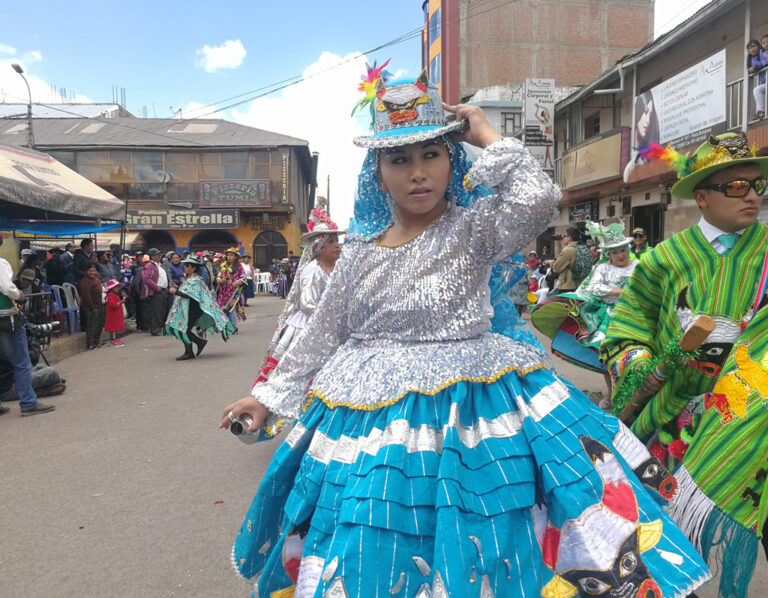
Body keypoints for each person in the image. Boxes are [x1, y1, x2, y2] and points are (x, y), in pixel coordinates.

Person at [220, 66, 709, 597]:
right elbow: (322, 335)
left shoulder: (476, 229)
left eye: (431, 154)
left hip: (476, 415)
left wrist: (484, 132)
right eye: (399, 159)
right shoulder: (358, 253)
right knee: (371, 535)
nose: (417, 173)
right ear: (377, 171)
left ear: (452, 160)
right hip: (367, 424)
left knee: (488, 534)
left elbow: (537, 198)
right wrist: (267, 398)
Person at [601, 132, 768, 596]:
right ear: (702, 197)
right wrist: (643, 365)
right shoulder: (661, 260)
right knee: (669, 540)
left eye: (758, 186)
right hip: (678, 420)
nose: (753, 195)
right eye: (737, 186)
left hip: (756, 421)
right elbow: (626, 333)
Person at [532, 222, 638, 403]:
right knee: (606, 355)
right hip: (608, 317)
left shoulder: (638, 265)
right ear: (608, 254)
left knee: (633, 355)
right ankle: (612, 393)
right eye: (614, 252)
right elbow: (594, 287)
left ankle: (633, 394)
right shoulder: (602, 268)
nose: (620, 255)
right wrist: (619, 292)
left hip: (635, 315)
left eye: (622, 250)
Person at [253, 206, 345, 396]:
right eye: (331, 241)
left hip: (329, 325)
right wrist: (334, 320)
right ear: (319, 246)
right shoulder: (313, 270)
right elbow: (308, 305)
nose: (337, 245)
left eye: (337, 240)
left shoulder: (336, 269)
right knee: (299, 376)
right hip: (309, 328)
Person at [0, 235, 55, 416]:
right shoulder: (1, 263)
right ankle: (28, 402)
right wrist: (19, 295)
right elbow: (7, 289)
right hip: (7, 318)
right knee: (21, 361)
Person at [165, 255, 234, 360]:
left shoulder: (196, 280)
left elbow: (190, 295)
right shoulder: (191, 278)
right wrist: (178, 288)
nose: (184, 267)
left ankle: (191, 350)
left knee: (183, 329)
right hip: (190, 308)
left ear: (193, 268)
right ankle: (198, 344)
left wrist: (176, 291)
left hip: (194, 309)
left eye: (187, 265)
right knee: (182, 328)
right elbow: (188, 291)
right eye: (185, 265)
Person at [551, 227, 589, 293]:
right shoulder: (584, 248)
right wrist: (559, 244)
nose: (564, 238)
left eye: (565, 236)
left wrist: (554, 263)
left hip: (568, 285)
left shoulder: (567, 250)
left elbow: (557, 268)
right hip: (580, 284)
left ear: (570, 237)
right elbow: (567, 257)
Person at [217, 248, 247, 329]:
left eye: (231, 255)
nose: (229, 257)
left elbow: (244, 277)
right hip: (224, 291)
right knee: (224, 308)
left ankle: (233, 326)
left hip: (234, 291)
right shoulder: (224, 265)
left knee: (231, 308)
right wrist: (219, 280)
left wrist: (237, 282)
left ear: (236, 257)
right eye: (228, 255)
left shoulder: (239, 266)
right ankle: (228, 325)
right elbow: (219, 275)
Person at [141, 248, 168, 336]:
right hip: (156, 291)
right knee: (156, 311)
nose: (159, 256)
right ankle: (155, 329)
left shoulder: (159, 265)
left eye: (159, 255)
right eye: (157, 255)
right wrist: (156, 287)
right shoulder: (149, 265)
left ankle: (160, 327)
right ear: (152, 256)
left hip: (162, 290)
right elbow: (146, 278)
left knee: (161, 310)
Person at [79, 264, 105, 350]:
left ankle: (96, 341)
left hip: (99, 305)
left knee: (99, 324)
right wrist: (92, 306)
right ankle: (90, 343)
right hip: (90, 306)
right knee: (92, 325)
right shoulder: (85, 281)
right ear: (86, 271)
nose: (92, 273)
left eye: (94, 271)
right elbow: (86, 295)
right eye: (90, 271)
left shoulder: (96, 280)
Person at [747, 38, 767, 119]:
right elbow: (748, 70)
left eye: (754, 46)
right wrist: (749, 70)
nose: (752, 49)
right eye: (750, 48)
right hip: (765, 82)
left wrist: (755, 66)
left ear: (758, 46)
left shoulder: (762, 52)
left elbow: (765, 63)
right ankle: (761, 112)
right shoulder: (750, 58)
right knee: (756, 90)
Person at [104, 279, 126, 347]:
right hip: (112, 315)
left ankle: (115, 339)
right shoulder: (110, 296)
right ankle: (113, 340)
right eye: (116, 287)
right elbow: (113, 305)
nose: (118, 289)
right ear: (112, 288)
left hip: (115, 315)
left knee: (115, 327)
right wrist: (120, 302)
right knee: (113, 328)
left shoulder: (113, 295)